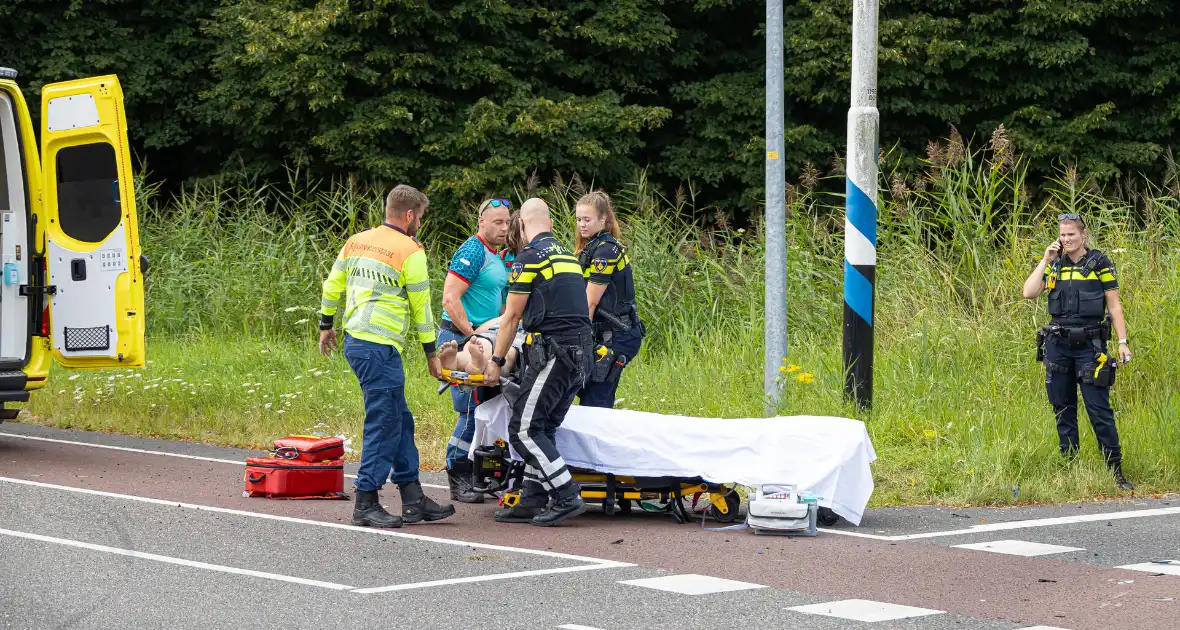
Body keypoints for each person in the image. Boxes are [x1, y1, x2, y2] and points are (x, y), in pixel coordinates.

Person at [319, 184, 456, 528]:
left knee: (400, 418)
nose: (419, 223)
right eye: (420, 217)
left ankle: (412, 497)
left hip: (358, 342)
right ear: (409, 215)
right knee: (384, 422)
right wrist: (431, 354)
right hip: (379, 348)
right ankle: (366, 500)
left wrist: (325, 324)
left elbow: (332, 285)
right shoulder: (411, 250)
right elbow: (422, 308)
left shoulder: (357, 240)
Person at [484, 198, 594, 526]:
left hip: (555, 355)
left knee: (524, 428)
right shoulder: (568, 257)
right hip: (581, 356)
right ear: (549, 222)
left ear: (521, 225)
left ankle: (565, 494)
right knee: (542, 426)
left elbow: (511, 317)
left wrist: (496, 361)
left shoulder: (529, 259)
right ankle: (532, 496)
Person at [1022, 212, 1134, 491]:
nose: (1066, 239)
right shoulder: (1055, 265)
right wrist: (1045, 260)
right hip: (1058, 345)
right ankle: (1069, 467)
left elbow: (1115, 305)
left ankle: (1115, 471)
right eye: (1062, 234)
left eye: (1071, 234)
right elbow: (1029, 292)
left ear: (1083, 235)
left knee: (1099, 409)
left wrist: (1122, 341)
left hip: (1090, 347)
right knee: (1063, 408)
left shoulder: (1100, 263)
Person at [439, 198, 513, 503]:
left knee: (489, 413)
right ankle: (457, 471)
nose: (504, 228)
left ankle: (482, 474)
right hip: (462, 337)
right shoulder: (473, 249)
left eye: (507, 222)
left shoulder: (499, 255)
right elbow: (449, 298)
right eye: (497, 222)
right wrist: (472, 335)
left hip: (488, 339)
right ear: (481, 221)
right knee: (470, 412)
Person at [573, 190, 645, 408]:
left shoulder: (606, 251)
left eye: (587, 219)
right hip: (604, 334)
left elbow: (590, 302)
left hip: (619, 335)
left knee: (596, 400)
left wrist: (576, 339)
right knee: (581, 390)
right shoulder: (591, 247)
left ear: (603, 219)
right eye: (578, 220)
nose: (582, 225)